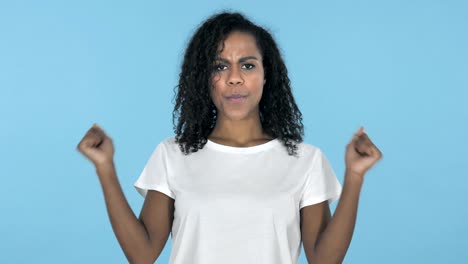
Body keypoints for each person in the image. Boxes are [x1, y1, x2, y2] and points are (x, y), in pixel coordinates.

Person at [77, 11, 382, 264]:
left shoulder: (305, 160)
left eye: (248, 65)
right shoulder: (173, 155)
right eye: (220, 66)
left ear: (266, 75)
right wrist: (105, 168)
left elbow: (324, 260)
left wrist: (354, 176)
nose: (234, 77)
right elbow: (142, 254)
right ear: (203, 78)